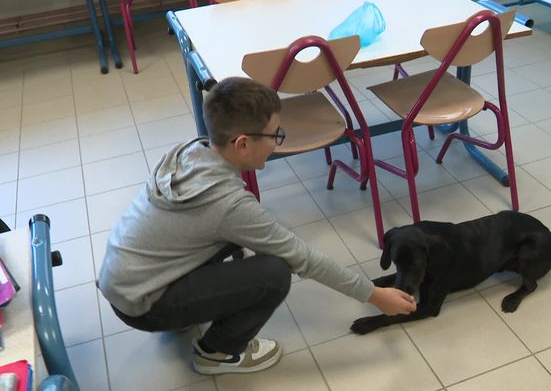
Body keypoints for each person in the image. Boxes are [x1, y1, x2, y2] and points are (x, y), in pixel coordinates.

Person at [98, 77, 416, 375]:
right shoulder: (228, 205)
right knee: (274, 274)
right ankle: (216, 353)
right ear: (242, 145)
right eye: (274, 135)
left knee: (246, 241)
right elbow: (302, 258)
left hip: (127, 279)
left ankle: (187, 308)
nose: (277, 143)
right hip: (142, 303)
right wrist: (374, 294)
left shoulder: (192, 150)